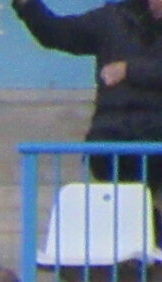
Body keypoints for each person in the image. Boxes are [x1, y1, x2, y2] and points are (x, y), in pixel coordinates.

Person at [14, 0, 162, 162]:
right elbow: (58, 33)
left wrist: (128, 70)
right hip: (111, 141)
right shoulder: (113, 18)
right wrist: (28, 5)